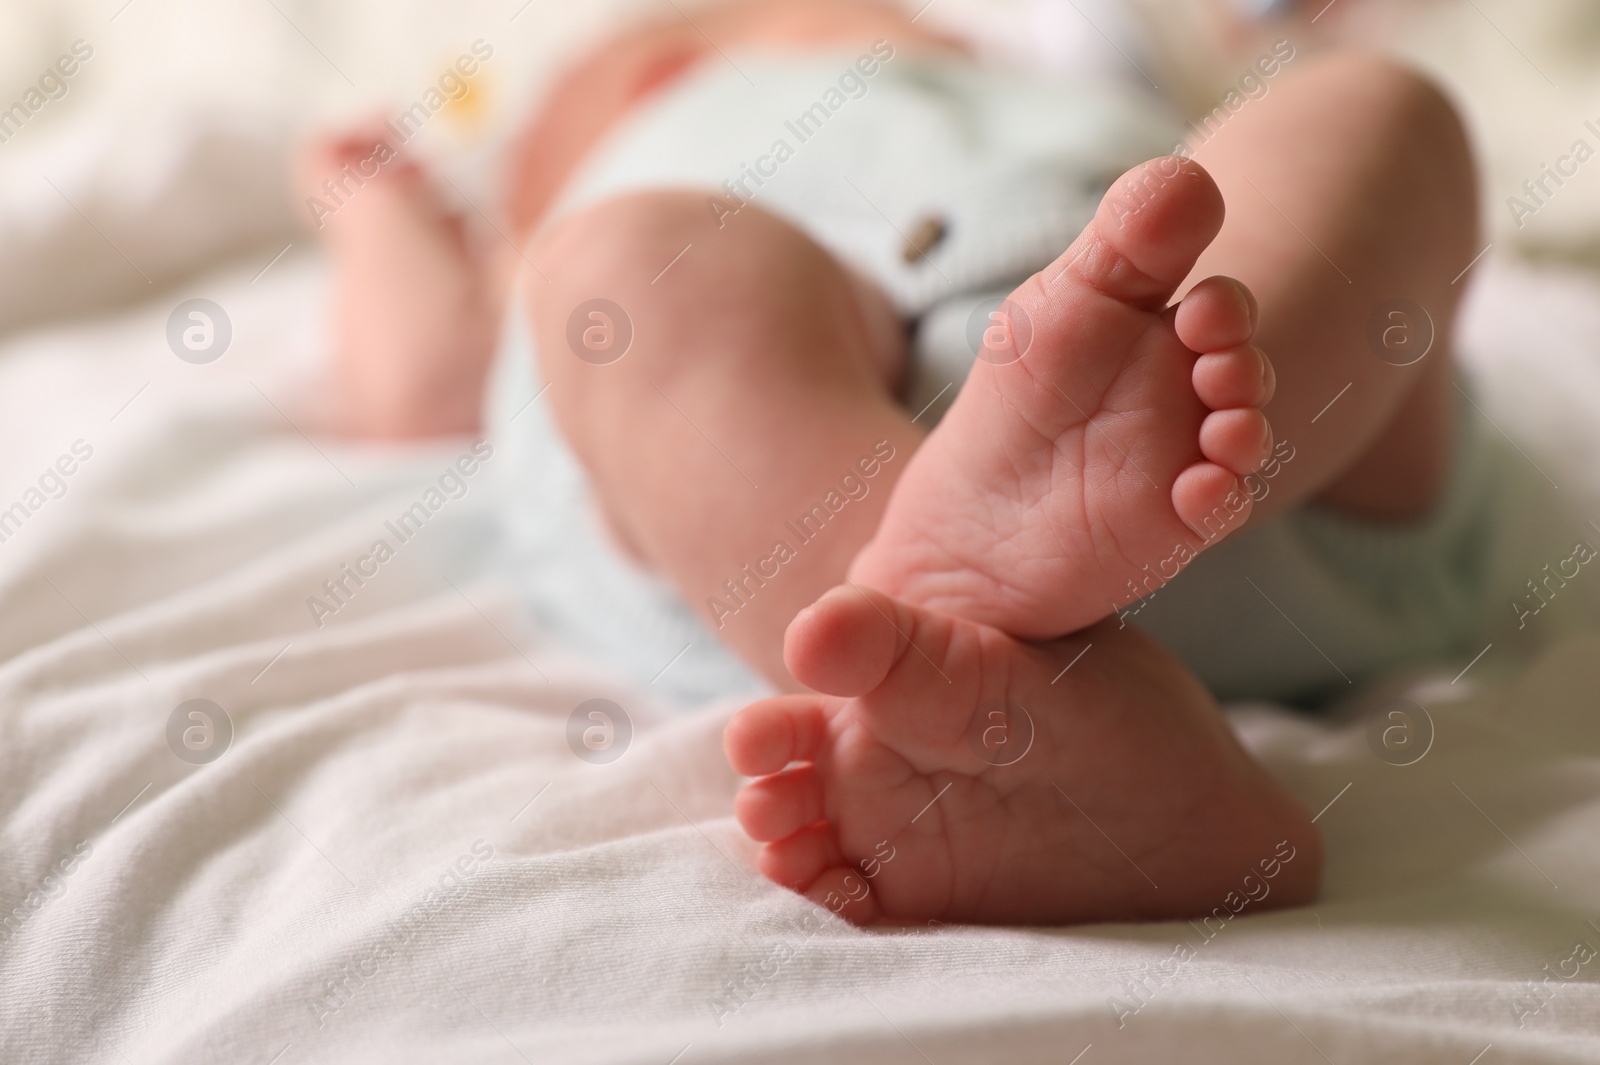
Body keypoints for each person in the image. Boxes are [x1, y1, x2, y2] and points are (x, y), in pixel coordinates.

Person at [302, 0, 1491, 925]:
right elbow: (419, 386)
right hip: (799, 501)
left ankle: (989, 646)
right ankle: (985, 652)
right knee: (618, 272)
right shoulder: (564, 227)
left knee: (1360, 108)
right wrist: (374, 209)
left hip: (1190, 376)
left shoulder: (1032, 91)